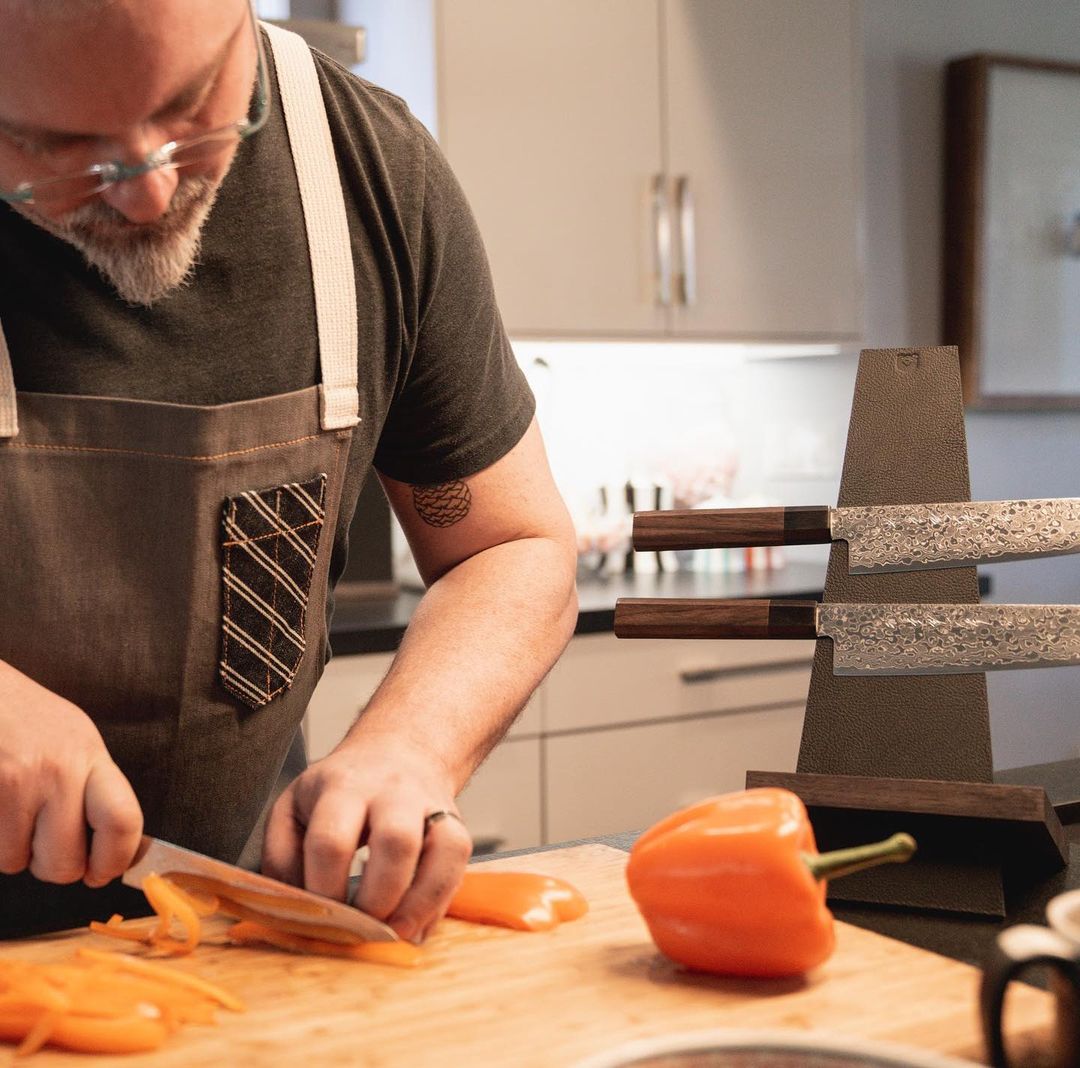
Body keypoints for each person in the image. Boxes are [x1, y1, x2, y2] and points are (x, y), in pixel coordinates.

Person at [0, 0, 578, 942]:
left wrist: (412, 745)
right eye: (63, 147)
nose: (149, 192)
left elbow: (511, 544)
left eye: (194, 104)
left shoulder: (374, 173)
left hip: (233, 951)